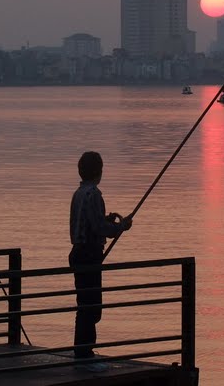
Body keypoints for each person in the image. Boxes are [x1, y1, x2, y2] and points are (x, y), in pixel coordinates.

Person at [68, 151, 132, 371]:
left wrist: (107, 221)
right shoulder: (93, 194)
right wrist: (120, 227)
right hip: (89, 254)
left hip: (78, 253)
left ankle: (83, 351)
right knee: (92, 307)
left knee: (84, 304)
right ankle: (84, 354)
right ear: (99, 171)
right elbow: (99, 228)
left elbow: (89, 223)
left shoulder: (78, 193)